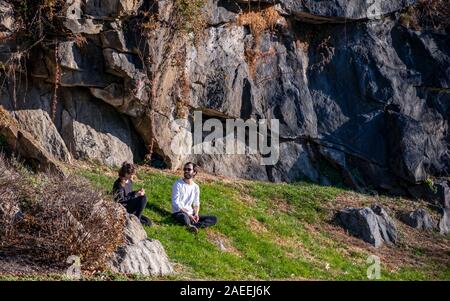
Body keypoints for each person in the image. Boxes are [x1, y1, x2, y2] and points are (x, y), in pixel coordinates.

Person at [171, 162, 217, 233]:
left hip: (191, 214)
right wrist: (188, 215)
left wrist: (196, 214)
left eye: (189, 169)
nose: (186, 171)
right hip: (179, 212)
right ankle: (190, 225)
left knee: (213, 218)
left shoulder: (196, 187)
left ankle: (195, 225)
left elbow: (196, 203)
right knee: (183, 217)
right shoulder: (178, 184)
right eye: (185, 169)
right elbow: (175, 203)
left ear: (194, 172)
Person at [113, 162, 152, 226]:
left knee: (143, 197)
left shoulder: (129, 181)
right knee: (142, 198)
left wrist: (136, 192)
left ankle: (137, 217)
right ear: (126, 174)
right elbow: (120, 200)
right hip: (122, 207)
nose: (133, 176)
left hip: (128, 203)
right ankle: (137, 219)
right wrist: (135, 195)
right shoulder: (119, 184)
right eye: (131, 174)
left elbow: (129, 194)